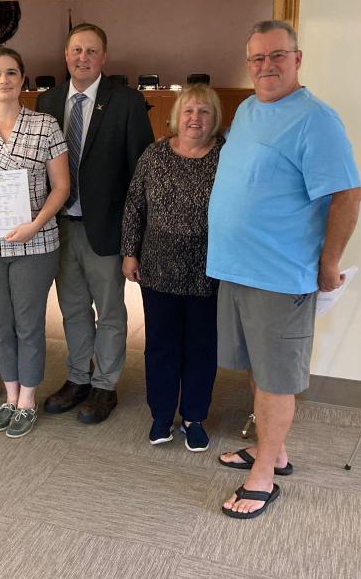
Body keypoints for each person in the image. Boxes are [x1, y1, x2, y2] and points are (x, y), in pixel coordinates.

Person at [207, 20, 361, 519]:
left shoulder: (316, 119)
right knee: (258, 367)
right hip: (238, 268)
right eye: (257, 58)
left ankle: (263, 478)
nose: (266, 66)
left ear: (297, 59)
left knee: (276, 379)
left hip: (280, 274)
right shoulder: (250, 109)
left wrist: (328, 262)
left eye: (277, 56)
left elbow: (347, 194)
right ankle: (273, 449)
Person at [37, 23, 154, 424]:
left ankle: (105, 385)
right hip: (60, 226)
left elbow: (142, 175)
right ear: (66, 55)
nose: (82, 58)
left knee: (109, 311)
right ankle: (77, 378)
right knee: (71, 308)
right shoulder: (47, 101)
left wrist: (135, 240)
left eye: (91, 51)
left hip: (105, 228)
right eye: (76, 50)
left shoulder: (126, 102)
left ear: (103, 58)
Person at [0, 47, 69, 438]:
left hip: (35, 243)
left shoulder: (45, 126)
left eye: (10, 73)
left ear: (23, 79)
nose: (2, 80)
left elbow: (62, 187)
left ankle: (28, 398)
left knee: (28, 324)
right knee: (0, 325)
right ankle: (10, 394)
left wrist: (35, 225)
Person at [121, 84, 224, 450]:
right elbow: (134, 205)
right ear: (177, 117)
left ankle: (194, 418)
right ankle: (162, 415)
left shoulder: (226, 157)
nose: (195, 118)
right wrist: (129, 253)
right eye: (189, 111)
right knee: (161, 346)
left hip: (208, 271)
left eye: (204, 112)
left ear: (215, 120)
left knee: (201, 347)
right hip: (158, 268)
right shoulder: (155, 154)